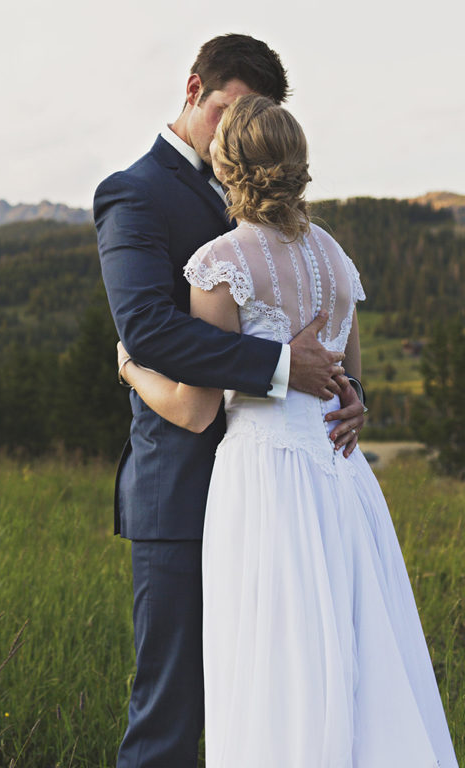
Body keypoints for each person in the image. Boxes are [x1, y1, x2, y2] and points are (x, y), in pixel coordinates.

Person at [118, 94, 458, 766]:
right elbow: (349, 384)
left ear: (225, 167)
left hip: (266, 481)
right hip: (341, 477)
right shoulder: (334, 258)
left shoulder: (220, 264)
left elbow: (195, 408)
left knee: (276, 661)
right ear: (298, 166)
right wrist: (355, 399)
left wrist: (131, 369)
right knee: (360, 660)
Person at [94, 34, 366, 767]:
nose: (237, 134)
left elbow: (311, 307)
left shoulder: (277, 210)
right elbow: (146, 330)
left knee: (284, 704)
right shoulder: (134, 192)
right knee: (172, 718)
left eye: (256, 118)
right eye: (228, 110)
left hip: (285, 498)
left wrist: (348, 389)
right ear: (193, 90)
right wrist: (281, 366)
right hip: (183, 490)